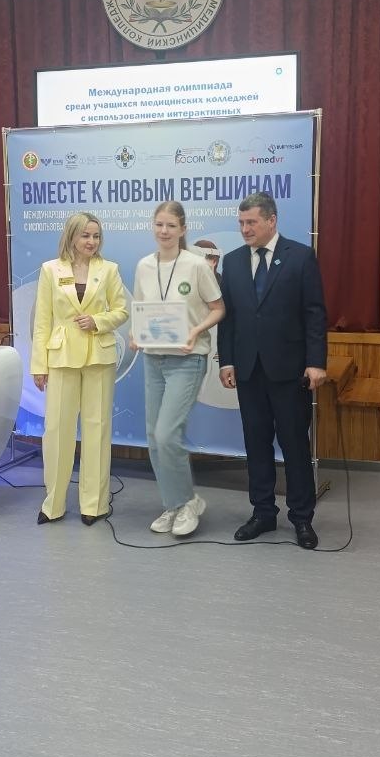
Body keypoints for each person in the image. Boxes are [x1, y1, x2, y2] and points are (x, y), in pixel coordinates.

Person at [218, 192, 327, 550]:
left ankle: (302, 518)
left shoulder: (300, 256)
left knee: (294, 445)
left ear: (271, 220)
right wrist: (227, 360)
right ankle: (263, 513)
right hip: (249, 370)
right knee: (256, 443)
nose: (245, 229)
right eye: (241, 223)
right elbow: (228, 318)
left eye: (251, 222)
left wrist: (316, 362)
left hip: (290, 370)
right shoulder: (233, 261)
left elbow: (314, 313)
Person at [132, 202, 224, 538]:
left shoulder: (196, 265)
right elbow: (140, 310)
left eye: (171, 225)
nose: (164, 231)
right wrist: (135, 335)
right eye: (159, 224)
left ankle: (187, 503)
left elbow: (218, 308)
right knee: (154, 439)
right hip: (153, 359)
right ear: (152, 226)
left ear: (183, 229)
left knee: (167, 434)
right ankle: (174, 504)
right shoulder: (144, 266)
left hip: (187, 359)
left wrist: (195, 330)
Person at [31, 212, 128, 525]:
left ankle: (94, 505)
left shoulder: (109, 270)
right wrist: (39, 365)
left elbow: (122, 311)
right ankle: (53, 504)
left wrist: (98, 321)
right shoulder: (50, 270)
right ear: (71, 236)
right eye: (85, 235)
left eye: (96, 236)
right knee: (56, 430)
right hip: (61, 357)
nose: (91, 241)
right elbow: (42, 321)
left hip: (99, 356)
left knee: (97, 428)